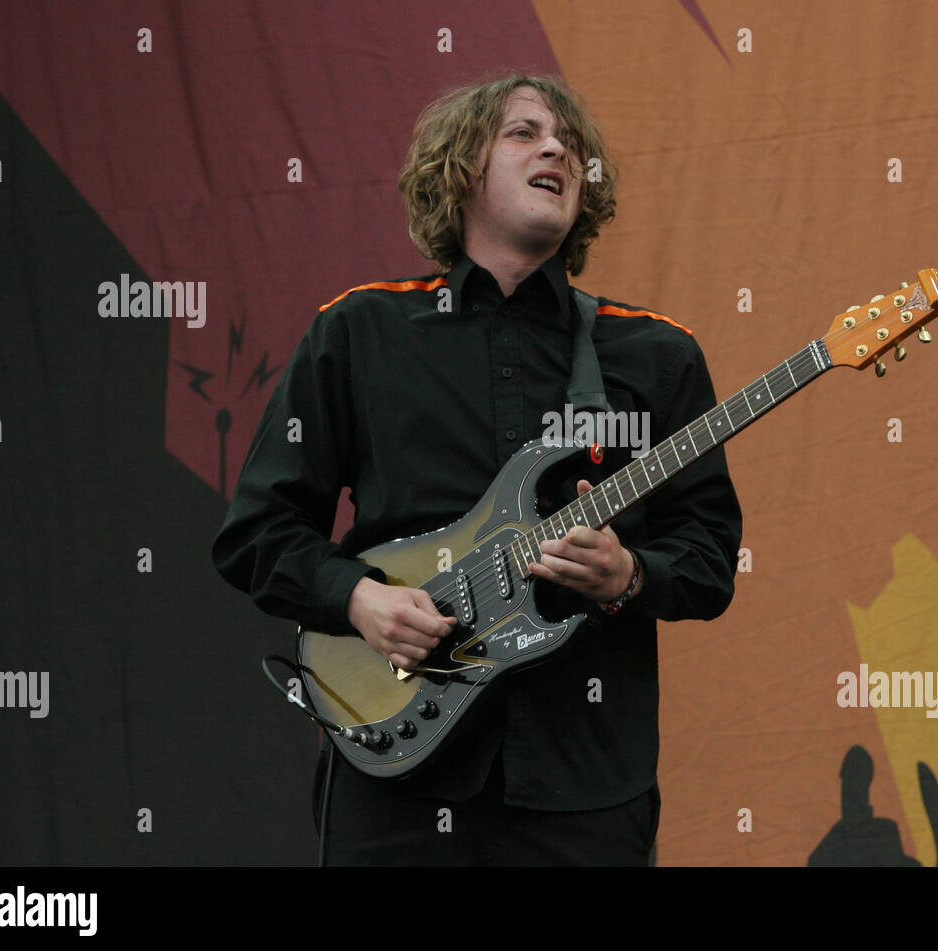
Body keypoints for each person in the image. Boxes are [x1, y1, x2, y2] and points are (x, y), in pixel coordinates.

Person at [212, 73, 742, 865]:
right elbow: (258, 531)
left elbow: (708, 558)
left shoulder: (656, 356)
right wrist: (358, 599)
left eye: (569, 140)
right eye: (524, 132)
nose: (557, 147)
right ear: (459, 169)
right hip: (396, 783)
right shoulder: (360, 332)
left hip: (585, 786)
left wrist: (628, 574)